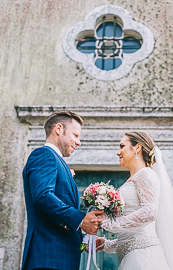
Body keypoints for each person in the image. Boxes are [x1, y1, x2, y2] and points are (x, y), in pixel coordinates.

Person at [97, 131, 173, 270]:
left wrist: (110, 224)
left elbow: (149, 212)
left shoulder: (145, 174)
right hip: (132, 255)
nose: (118, 152)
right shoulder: (134, 178)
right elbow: (134, 235)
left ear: (137, 148)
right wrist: (107, 244)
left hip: (144, 258)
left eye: (122, 146)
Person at [21, 111, 105, 270]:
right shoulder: (44, 155)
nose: (78, 142)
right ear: (58, 129)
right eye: (75, 135)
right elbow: (43, 196)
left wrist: (84, 242)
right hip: (47, 259)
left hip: (63, 260)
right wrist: (81, 220)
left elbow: (60, 225)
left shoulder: (57, 161)